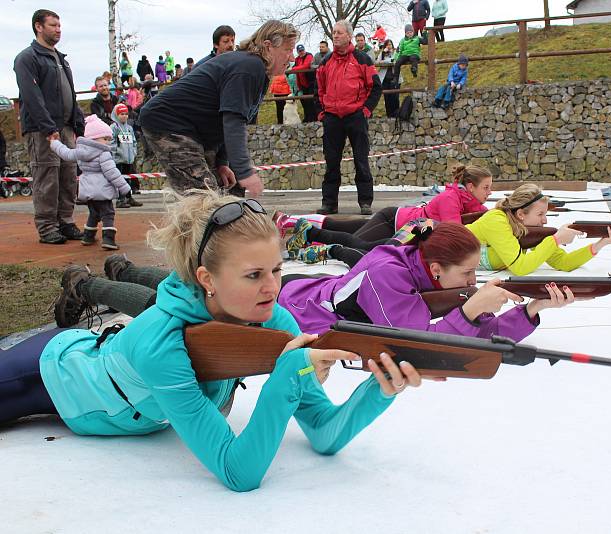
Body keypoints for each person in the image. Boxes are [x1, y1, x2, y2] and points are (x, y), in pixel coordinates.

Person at [2, 190, 422, 492]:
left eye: (277, 270)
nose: (272, 288)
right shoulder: (160, 343)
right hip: (55, 376)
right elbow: (238, 474)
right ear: (207, 280)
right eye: (254, 275)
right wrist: (286, 377)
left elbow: (325, 435)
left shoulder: (275, 318)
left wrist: (379, 389)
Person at [280, 221, 577, 338]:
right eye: (467, 273)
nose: (474, 279)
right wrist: (470, 309)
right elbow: (419, 344)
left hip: (316, 286)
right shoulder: (387, 273)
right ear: (436, 269)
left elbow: (484, 336)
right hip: (295, 304)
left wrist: (531, 310)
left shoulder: (431, 272)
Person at [139, 20, 298, 198]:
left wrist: (222, 162)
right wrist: (245, 172)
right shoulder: (249, 67)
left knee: (223, 191)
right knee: (202, 198)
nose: (292, 58)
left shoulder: (255, 68)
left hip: (196, 131)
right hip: (170, 124)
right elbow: (233, 121)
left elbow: (225, 120)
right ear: (268, 46)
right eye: (288, 50)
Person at [283, 164, 492, 263]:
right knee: (358, 245)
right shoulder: (451, 198)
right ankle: (310, 236)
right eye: (486, 188)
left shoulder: (468, 200)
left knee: (349, 231)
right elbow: (453, 231)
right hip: (395, 221)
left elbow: (483, 215)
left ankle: (309, 232)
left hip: (414, 227)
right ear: (471, 187)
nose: (489, 193)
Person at [14, 9, 85, 244]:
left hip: (65, 128)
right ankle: (47, 227)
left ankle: (65, 221)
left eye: (59, 26)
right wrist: (47, 127)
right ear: (38, 26)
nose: (58, 30)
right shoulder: (28, 57)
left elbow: (70, 95)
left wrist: (77, 123)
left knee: (67, 176)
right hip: (43, 130)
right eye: (53, 25)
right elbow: (31, 96)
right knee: (47, 177)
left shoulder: (61, 60)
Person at [466, 183, 611, 275]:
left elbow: (564, 263)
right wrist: (555, 239)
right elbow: (520, 268)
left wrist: (601, 243)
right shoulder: (496, 220)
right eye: (540, 214)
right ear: (521, 214)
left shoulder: (527, 230)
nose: (545, 220)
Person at [315, 20, 382, 216]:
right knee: (331, 161)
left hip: (356, 116)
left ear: (349, 36)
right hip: (332, 118)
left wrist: (366, 110)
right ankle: (329, 203)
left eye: (339, 33)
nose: (335, 35)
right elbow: (317, 89)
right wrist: (322, 113)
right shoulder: (325, 62)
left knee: (361, 160)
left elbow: (375, 87)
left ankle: (365, 202)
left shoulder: (363, 59)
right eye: (333, 32)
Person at [50, 115, 131, 250]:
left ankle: (88, 236)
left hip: (87, 190)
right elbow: (112, 173)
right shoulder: (103, 154)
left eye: (109, 139)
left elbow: (66, 153)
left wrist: (54, 143)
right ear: (94, 138)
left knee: (94, 213)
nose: (108, 142)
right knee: (108, 214)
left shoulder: (80, 152)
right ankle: (108, 239)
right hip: (102, 190)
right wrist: (125, 188)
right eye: (105, 139)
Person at [110, 104, 143, 208]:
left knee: (128, 179)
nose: (124, 116)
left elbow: (134, 142)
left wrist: (133, 153)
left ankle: (129, 197)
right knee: (121, 180)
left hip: (128, 159)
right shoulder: (114, 127)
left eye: (126, 114)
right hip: (118, 160)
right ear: (116, 115)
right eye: (121, 114)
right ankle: (120, 199)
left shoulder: (129, 128)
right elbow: (111, 142)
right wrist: (115, 154)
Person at [289, 44, 317, 122]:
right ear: (297, 52)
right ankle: (307, 117)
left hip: (311, 82)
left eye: (302, 50)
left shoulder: (309, 56)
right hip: (302, 84)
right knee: (304, 102)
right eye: (299, 51)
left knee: (311, 101)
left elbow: (306, 66)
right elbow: (293, 67)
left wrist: (295, 68)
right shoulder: (297, 59)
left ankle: (314, 118)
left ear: (304, 50)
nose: (301, 52)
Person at [377, 40, 400, 117]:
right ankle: (389, 115)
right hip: (385, 79)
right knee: (387, 98)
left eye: (390, 44)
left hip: (395, 78)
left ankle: (396, 114)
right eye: (387, 45)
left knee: (395, 97)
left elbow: (396, 60)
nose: (389, 46)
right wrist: (383, 53)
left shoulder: (396, 52)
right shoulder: (382, 53)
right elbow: (378, 62)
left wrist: (386, 61)